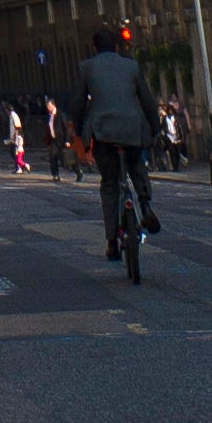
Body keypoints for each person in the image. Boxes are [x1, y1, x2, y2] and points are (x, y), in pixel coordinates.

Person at [70, 23, 162, 264]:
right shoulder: (131, 66)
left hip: (103, 133)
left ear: (94, 47)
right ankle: (145, 204)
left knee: (110, 183)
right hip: (133, 128)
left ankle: (112, 240)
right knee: (138, 168)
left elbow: (79, 104)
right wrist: (155, 128)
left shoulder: (87, 68)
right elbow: (148, 101)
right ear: (117, 47)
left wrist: (80, 133)